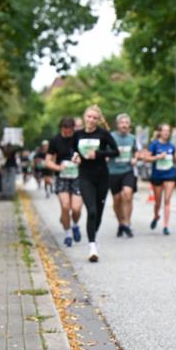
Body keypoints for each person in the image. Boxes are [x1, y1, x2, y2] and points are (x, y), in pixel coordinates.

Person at [72, 105, 118, 262]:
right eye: (89, 117)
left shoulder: (103, 134)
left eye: (94, 118)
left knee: (98, 211)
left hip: (102, 177)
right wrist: (75, 157)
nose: (91, 120)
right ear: (85, 117)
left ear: (98, 120)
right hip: (85, 176)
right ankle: (92, 246)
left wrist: (98, 154)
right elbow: (72, 151)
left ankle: (94, 235)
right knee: (91, 210)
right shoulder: (77, 135)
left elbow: (115, 151)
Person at [44, 117, 83, 247]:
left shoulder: (78, 137)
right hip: (62, 177)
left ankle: (75, 225)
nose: (67, 134)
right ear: (61, 128)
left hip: (77, 176)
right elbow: (48, 160)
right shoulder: (55, 140)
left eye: (70, 131)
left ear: (73, 128)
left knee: (76, 208)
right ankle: (67, 234)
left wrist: (79, 159)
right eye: (65, 131)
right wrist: (58, 167)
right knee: (65, 206)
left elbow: (85, 154)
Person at [109, 113, 141, 238]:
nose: (124, 125)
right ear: (117, 125)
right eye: (122, 123)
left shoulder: (132, 138)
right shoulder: (111, 137)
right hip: (113, 172)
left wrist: (135, 158)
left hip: (127, 171)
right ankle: (121, 222)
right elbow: (104, 150)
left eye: (126, 123)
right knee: (117, 200)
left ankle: (127, 222)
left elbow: (137, 151)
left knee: (127, 194)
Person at [143, 124, 176, 235]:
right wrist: (158, 157)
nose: (167, 133)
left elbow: (175, 159)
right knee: (158, 202)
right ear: (160, 132)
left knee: (167, 200)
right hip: (157, 176)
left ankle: (166, 226)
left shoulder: (172, 146)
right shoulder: (154, 145)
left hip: (170, 175)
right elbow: (146, 158)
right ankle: (156, 216)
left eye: (168, 131)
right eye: (164, 130)